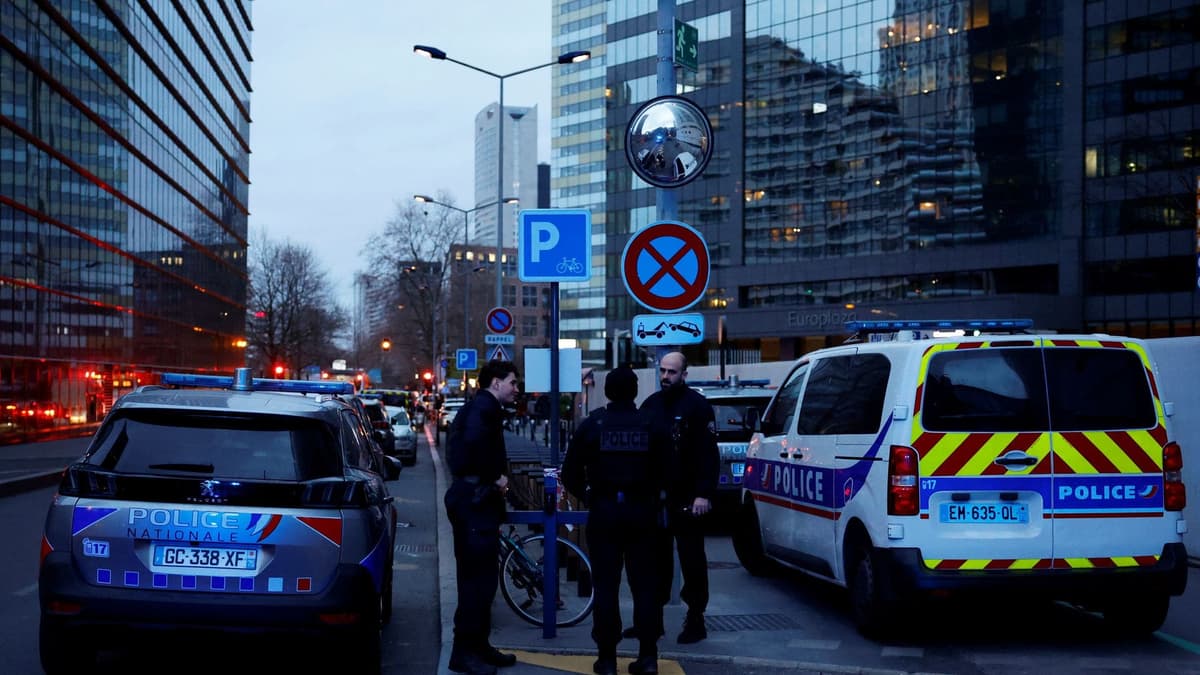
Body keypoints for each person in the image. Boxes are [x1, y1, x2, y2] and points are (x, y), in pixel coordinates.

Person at [562, 367, 665, 675]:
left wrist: (591, 496)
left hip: (605, 513)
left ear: (607, 392)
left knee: (606, 586)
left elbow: (570, 473)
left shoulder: (593, 425)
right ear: (635, 392)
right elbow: (668, 470)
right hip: (643, 514)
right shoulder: (652, 425)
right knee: (645, 587)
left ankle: (607, 658)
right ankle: (648, 657)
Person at [444, 360, 521, 675]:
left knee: (483, 581)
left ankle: (478, 646)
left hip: (473, 502)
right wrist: (495, 477)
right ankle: (464, 653)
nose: (517, 389)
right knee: (476, 582)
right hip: (475, 504)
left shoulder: (480, 408)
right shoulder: (482, 411)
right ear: (496, 383)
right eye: (513, 382)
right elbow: (473, 448)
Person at [636, 351, 719, 645]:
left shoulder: (697, 407)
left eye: (672, 372)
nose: (665, 377)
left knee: (692, 560)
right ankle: (652, 621)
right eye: (662, 371)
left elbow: (708, 455)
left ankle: (696, 618)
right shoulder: (651, 405)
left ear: (685, 374)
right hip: (656, 499)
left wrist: (703, 494)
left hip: (687, 498)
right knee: (655, 561)